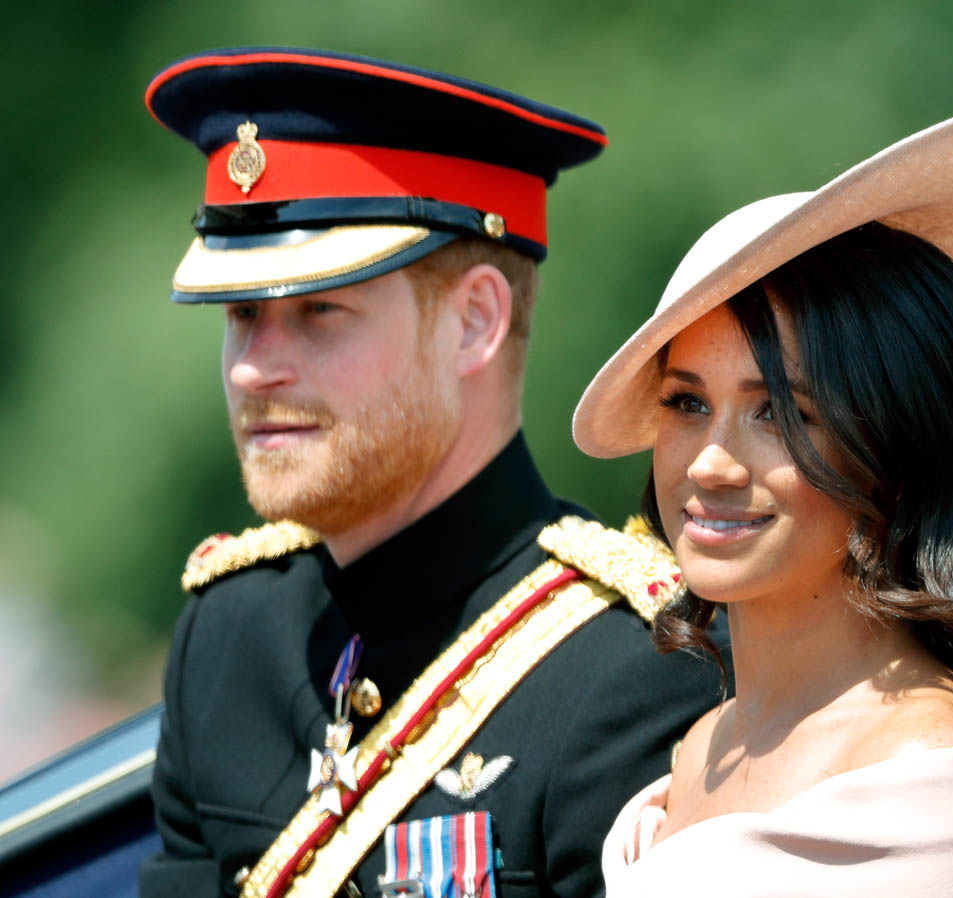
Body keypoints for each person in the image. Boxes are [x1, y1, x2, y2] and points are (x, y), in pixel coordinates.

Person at [137, 48, 725, 898]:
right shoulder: (228, 637)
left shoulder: (641, 672)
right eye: (241, 316)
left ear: (475, 322)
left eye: (318, 311)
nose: (252, 370)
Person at [573, 91, 953, 897]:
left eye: (784, 413)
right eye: (688, 403)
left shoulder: (934, 775)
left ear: (900, 445)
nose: (711, 465)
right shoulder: (700, 744)